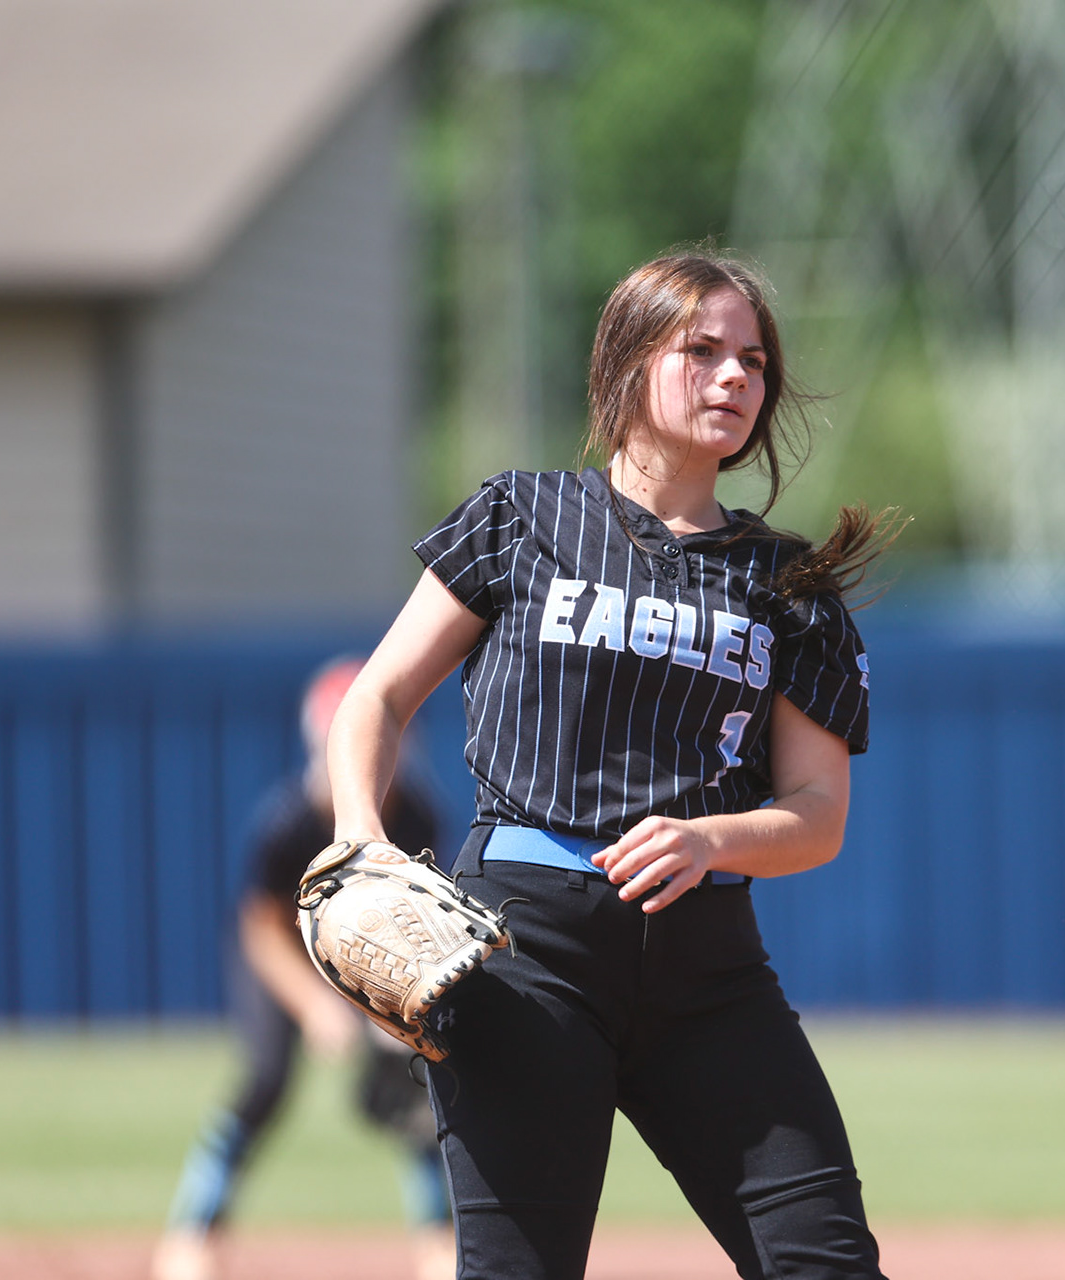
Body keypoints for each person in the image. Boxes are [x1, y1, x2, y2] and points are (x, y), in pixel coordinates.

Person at [325, 250, 894, 1279]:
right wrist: (358, 835)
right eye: (703, 350)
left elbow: (818, 811)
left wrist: (712, 835)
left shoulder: (790, 583)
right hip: (527, 955)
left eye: (753, 361)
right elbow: (379, 696)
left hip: (708, 971)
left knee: (828, 1266)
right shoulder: (523, 518)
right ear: (631, 362)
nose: (734, 377)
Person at [152, 657, 456, 1280]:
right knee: (267, 1079)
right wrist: (317, 1007)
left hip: (367, 961)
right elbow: (260, 928)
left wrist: (384, 1008)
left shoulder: (418, 814)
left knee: (410, 1083)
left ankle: (437, 1237)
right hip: (284, 958)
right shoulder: (288, 821)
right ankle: (194, 1231)